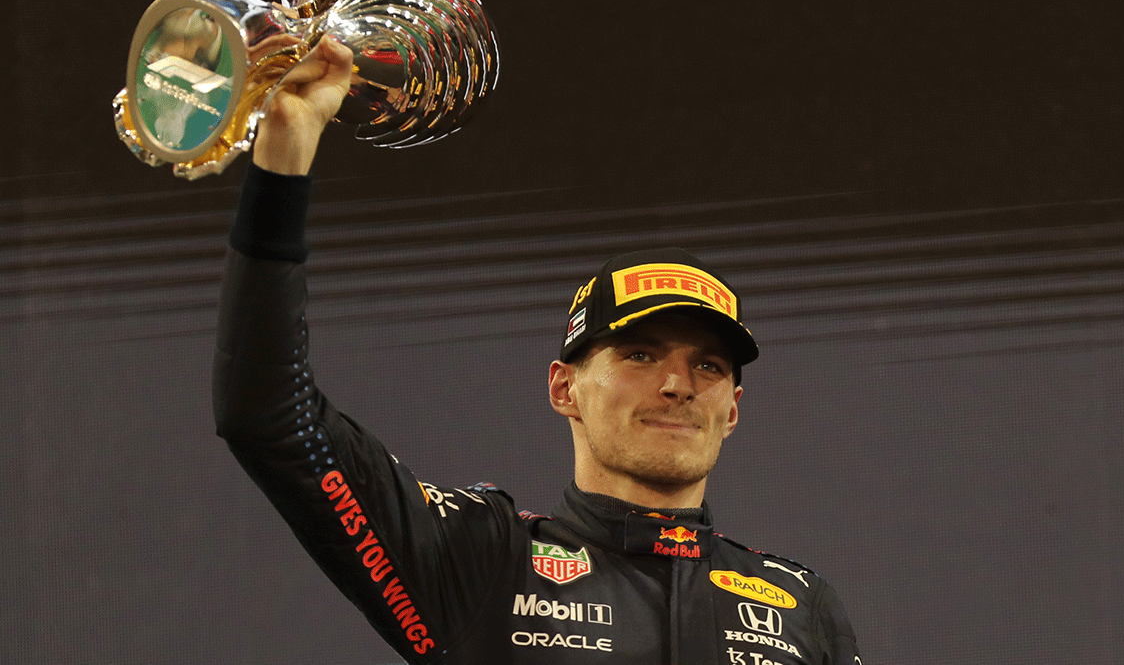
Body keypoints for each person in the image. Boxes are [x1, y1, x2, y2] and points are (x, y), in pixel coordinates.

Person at [213, 35, 862, 664]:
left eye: (709, 365)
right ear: (563, 387)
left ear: (735, 409)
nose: (677, 383)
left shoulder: (802, 611)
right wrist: (283, 160)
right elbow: (270, 417)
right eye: (639, 354)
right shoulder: (482, 561)